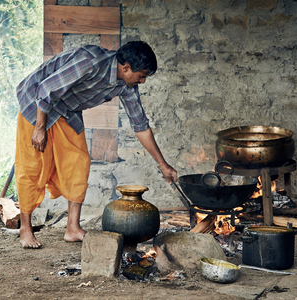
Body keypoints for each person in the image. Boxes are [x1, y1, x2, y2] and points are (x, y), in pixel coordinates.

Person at [15, 41, 178, 248]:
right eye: (141, 75)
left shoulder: (127, 86)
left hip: (66, 110)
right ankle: (25, 229)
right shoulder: (90, 61)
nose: (143, 81)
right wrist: (40, 128)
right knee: (33, 166)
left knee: (79, 162)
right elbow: (46, 89)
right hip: (36, 104)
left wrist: (163, 165)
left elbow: (141, 126)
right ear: (125, 67)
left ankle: (72, 228)